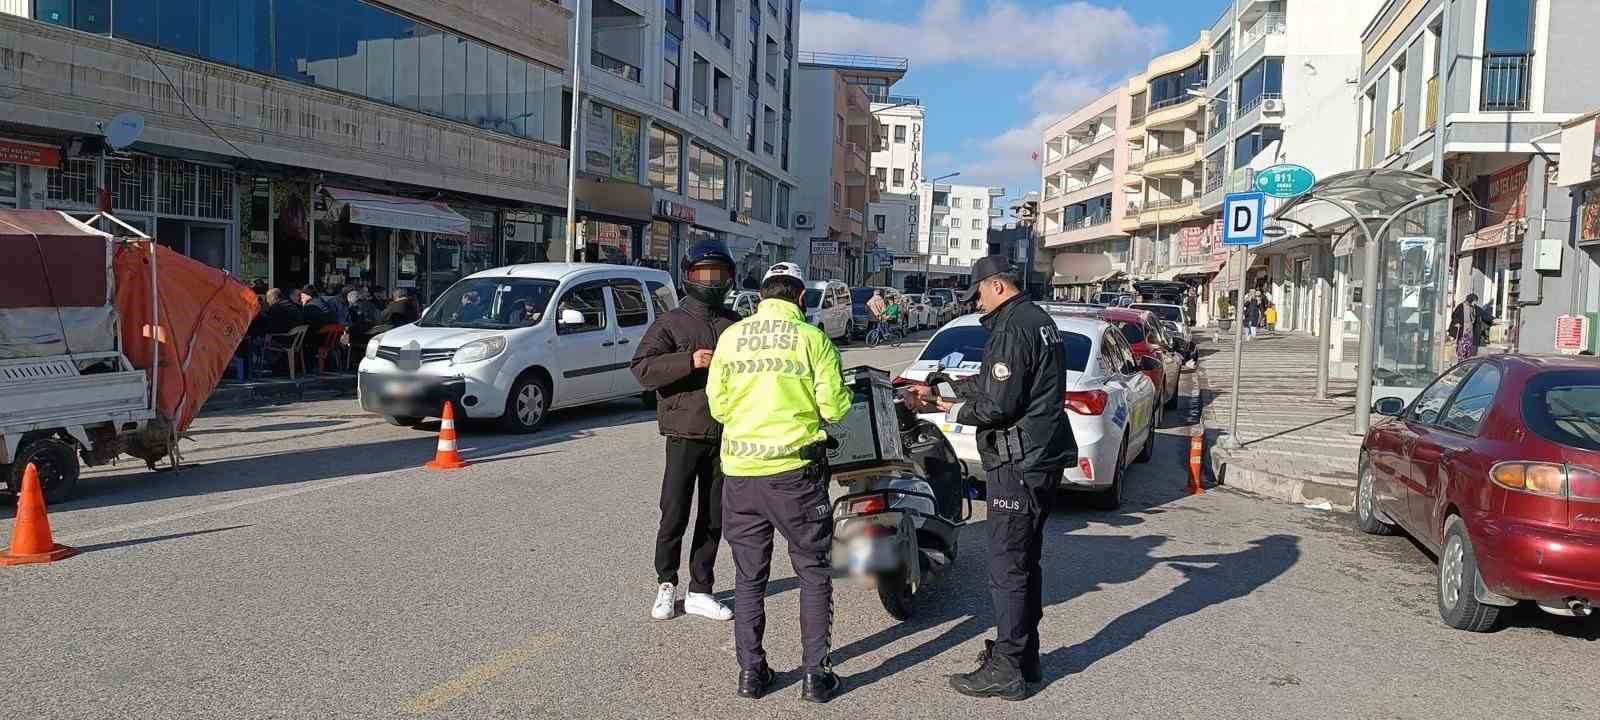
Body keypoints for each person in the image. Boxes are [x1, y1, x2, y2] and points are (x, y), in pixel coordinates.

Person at [906, 256, 1074, 701]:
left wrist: (945, 409)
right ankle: (1025, 656)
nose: (977, 303)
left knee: (1007, 567)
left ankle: (1007, 668)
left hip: (1018, 463)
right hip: (1041, 457)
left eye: (978, 293)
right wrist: (949, 388)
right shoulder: (1038, 320)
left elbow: (999, 406)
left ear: (996, 287)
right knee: (1025, 561)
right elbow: (1003, 382)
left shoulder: (1011, 327)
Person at [706, 262, 853, 703]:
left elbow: (717, 404)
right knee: (813, 572)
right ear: (802, 298)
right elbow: (836, 408)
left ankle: (752, 674)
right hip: (795, 475)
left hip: (741, 475)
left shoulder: (731, 337)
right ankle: (816, 676)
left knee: (749, 578)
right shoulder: (813, 339)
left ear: (764, 294)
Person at [629, 240, 742, 624]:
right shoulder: (670, 322)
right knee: (674, 511)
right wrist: (688, 361)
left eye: (719, 275)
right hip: (683, 432)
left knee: (714, 516)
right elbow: (642, 368)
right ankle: (666, 583)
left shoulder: (736, 324)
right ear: (688, 277)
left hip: (726, 434)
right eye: (703, 274)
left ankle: (701, 589)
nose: (711, 281)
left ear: (730, 278)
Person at [1449, 293, 1490, 360]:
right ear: (1470, 300)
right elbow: (1454, 315)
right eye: (1474, 301)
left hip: (1470, 330)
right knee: (1461, 348)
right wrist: (1457, 322)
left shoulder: (1473, 308)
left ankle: (1466, 361)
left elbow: (1478, 316)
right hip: (1463, 330)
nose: (1475, 303)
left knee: (1469, 348)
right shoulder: (1461, 306)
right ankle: (1461, 361)